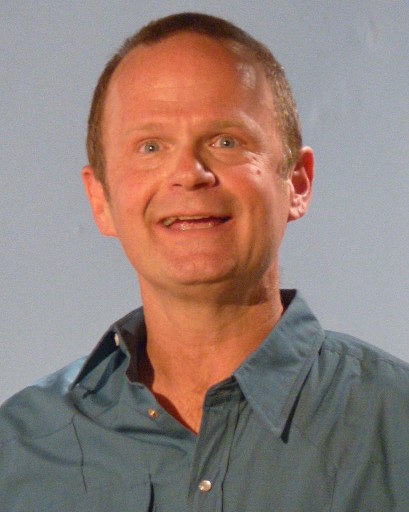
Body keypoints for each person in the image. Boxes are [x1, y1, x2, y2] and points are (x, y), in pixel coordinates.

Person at [1, 12, 408, 511]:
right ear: (100, 199)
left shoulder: (398, 425)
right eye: (151, 147)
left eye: (226, 141)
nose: (189, 175)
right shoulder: (19, 450)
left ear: (297, 183)